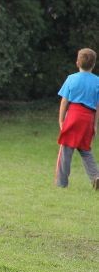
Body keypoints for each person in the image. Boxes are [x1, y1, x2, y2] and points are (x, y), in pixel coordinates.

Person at [55, 47, 99, 189]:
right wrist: (95, 125)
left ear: (77, 63)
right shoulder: (97, 81)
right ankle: (96, 176)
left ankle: (62, 183)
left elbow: (64, 102)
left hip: (73, 115)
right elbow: (97, 106)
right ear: (93, 64)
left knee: (66, 150)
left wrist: (61, 120)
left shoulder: (71, 78)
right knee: (85, 149)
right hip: (88, 117)